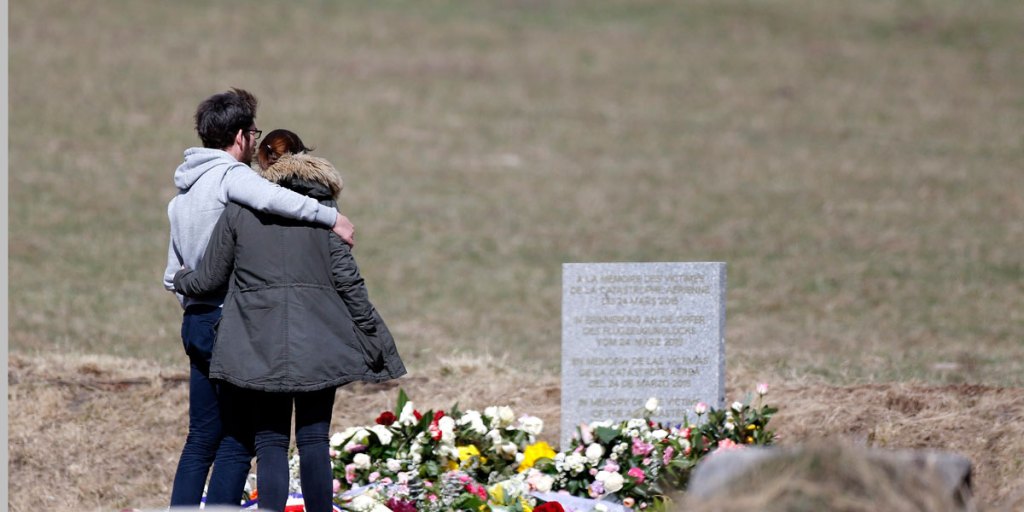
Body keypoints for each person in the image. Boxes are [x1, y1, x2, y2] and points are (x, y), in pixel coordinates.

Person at [173, 129, 406, 512]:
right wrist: (373, 333)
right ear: (304, 156)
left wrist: (180, 277)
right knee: (315, 440)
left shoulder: (240, 210)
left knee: (271, 442)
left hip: (260, 344)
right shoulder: (326, 213)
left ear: (261, 160)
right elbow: (349, 282)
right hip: (319, 342)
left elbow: (210, 277)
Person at [163, 89, 356, 508]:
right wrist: (332, 217)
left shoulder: (181, 197)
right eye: (254, 132)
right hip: (230, 322)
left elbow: (172, 274)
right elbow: (277, 197)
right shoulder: (234, 179)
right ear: (239, 136)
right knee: (240, 439)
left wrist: (189, 297)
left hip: (194, 320)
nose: (255, 141)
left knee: (200, 438)